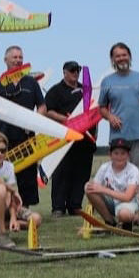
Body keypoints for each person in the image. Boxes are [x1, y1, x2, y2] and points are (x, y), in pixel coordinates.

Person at [98, 42, 139, 220]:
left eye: (124, 54)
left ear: (130, 56)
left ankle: (137, 215)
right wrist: (110, 117)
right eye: (117, 56)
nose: (121, 58)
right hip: (119, 136)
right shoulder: (107, 82)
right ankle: (118, 213)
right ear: (112, 59)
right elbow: (102, 108)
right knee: (116, 177)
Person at [0, 45, 47, 208]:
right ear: (5, 60)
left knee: (27, 176)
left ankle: (25, 210)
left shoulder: (31, 82)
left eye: (20, 58)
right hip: (4, 136)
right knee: (5, 174)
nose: (18, 60)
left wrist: (35, 123)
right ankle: (6, 209)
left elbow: (42, 106)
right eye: (14, 57)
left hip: (26, 137)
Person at [44, 60, 97, 216]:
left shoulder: (86, 90)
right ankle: (58, 207)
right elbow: (48, 111)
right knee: (62, 173)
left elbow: (94, 109)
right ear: (65, 72)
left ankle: (75, 205)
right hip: (64, 138)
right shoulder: (55, 90)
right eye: (72, 70)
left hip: (85, 139)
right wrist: (67, 120)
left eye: (77, 70)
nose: (75, 73)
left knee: (82, 172)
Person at [85, 138, 139, 230]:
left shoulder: (133, 170)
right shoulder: (104, 168)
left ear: (128, 155)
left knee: (124, 214)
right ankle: (110, 222)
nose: (119, 157)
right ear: (110, 155)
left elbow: (127, 197)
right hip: (111, 201)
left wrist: (103, 189)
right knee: (88, 187)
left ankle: (127, 222)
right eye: (116, 153)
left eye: (123, 153)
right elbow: (93, 187)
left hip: (128, 202)